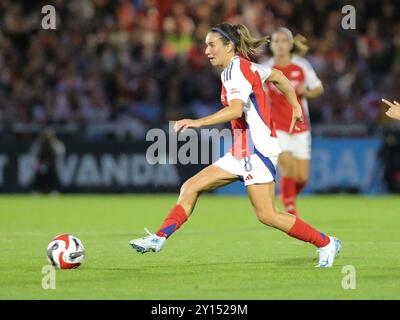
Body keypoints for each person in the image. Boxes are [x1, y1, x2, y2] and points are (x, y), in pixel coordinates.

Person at [130, 23, 341, 268]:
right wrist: (295, 106)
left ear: (229, 46)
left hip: (257, 149)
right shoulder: (244, 65)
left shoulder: (234, 72)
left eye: (211, 45)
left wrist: (197, 123)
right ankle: (159, 237)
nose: (206, 50)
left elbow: (235, 109)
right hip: (241, 150)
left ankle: (326, 242)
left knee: (267, 215)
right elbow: (279, 77)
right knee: (191, 186)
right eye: (206, 45)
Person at [264, 28, 324, 216]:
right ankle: (291, 211)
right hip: (277, 126)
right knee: (287, 167)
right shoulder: (266, 69)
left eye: (284, 41)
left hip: (300, 126)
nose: (280, 45)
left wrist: (305, 91)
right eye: (276, 41)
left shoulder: (302, 66)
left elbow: (318, 88)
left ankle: (287, 197)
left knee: (302, 177)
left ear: (290, 44)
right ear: (271, 45)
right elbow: (260, 97)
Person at [30, 128, 65, 193]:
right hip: (41, 166)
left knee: (53, 177)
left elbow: (60, 154)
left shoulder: (56, 145)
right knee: (39, 177)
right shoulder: (38, 145)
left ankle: (54, 190)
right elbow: (34, 155)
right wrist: (38, 165)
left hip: (52, 166)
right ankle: (36, 190)